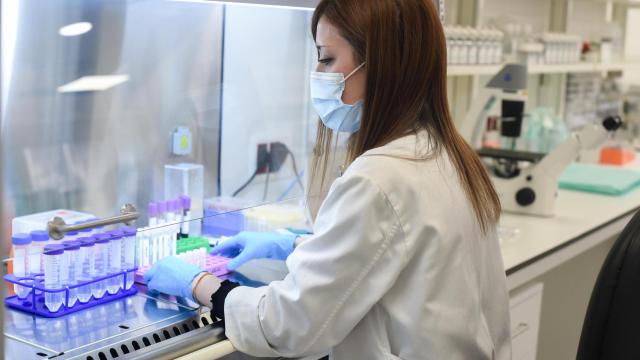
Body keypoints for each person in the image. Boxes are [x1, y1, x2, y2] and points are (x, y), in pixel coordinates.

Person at [144, 0, 511, 358]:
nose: (319, 74)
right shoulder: (445, 151)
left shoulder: (379, 178)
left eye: (326, 57)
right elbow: (389, 257)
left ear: (381, 64)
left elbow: (287, 325)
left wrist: (198, 284)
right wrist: (292, 247)